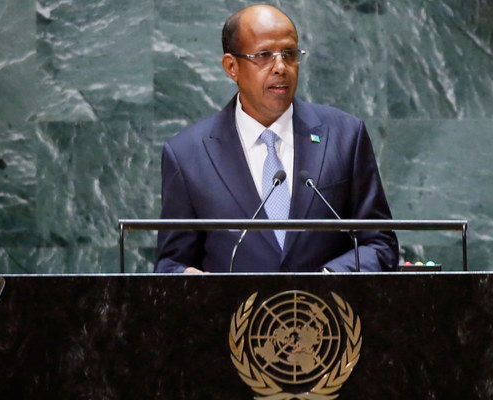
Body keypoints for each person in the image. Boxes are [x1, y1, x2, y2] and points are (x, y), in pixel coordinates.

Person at [155, 4, 398, 273]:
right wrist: (198, 286)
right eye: (264, 55)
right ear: (231, 66)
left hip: (327, 312)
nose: (280, 67)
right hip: (234, 314)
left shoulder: (345, 137)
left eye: (289, 54)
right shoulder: (188, 155)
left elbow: (379, 243)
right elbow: (171, 264)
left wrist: (328, 280)